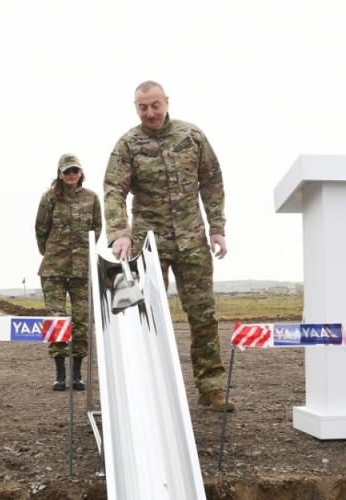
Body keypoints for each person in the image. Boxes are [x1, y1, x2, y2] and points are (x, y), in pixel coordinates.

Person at [103, 80, 235, 412]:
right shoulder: (128, 145)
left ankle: (212, 389)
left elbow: (212, 180)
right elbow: (113, 190)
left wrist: (217, 227)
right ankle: (149, 391)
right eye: (143, 107)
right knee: (145, 317)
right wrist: (120, 232)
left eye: (155, 105)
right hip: (149, 244)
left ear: (166, 102)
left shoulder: (192, 137)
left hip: (192, 241)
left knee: (203, 316)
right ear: (136, 108)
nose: (150, 112)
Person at [35, 154, 102, 391]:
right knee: (56, 320)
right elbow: (41, 230)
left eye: (75, 170)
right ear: (59, 174)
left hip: (82, 271)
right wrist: (53, 253)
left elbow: (96, 229)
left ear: (81, 173)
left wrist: (82, 255)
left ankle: (76, 372)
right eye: (67, 171)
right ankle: (60, 372)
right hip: (54, 269)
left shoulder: (92, 198)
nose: (71, 174)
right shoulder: (50, 198)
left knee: (81, 320)